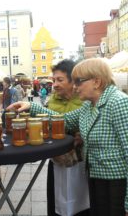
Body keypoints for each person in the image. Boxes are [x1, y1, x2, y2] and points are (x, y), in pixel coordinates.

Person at [7, 58, 128, 216]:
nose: (75, 86)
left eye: (78, 81)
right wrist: (31, 107)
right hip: (99, 182)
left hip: (121, 185)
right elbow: (64, 120)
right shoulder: (89, 105)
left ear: (97, 82)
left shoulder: (120, 103)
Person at [46, 59, 89, 216]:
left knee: (82, 200)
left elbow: (70, 120)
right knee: (57, 198)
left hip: (81, 158)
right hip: (59, 157)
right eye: (54, 80)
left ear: (73, 81)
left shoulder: (85, 99)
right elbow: (53, 123)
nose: (55, 84)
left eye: (60, 80)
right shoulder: (53, 99)